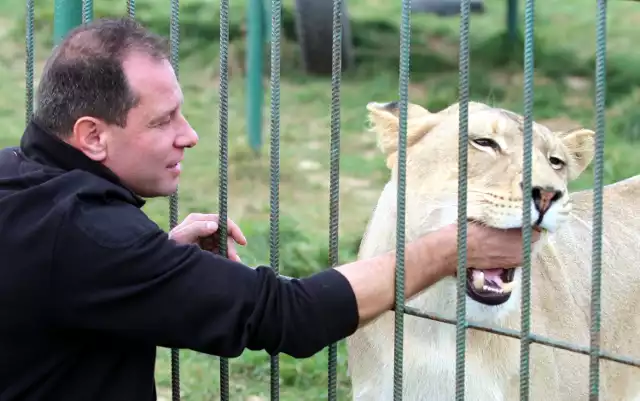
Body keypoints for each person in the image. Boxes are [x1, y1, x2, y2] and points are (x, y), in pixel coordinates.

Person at [0, 17, 539, 401]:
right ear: (91, 135)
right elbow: (289, 316)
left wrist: (156, 263)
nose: (188, 136)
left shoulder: (17, 178)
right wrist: (452, 249)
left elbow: (58, 282)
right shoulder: (91, 236)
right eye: (162, 121)